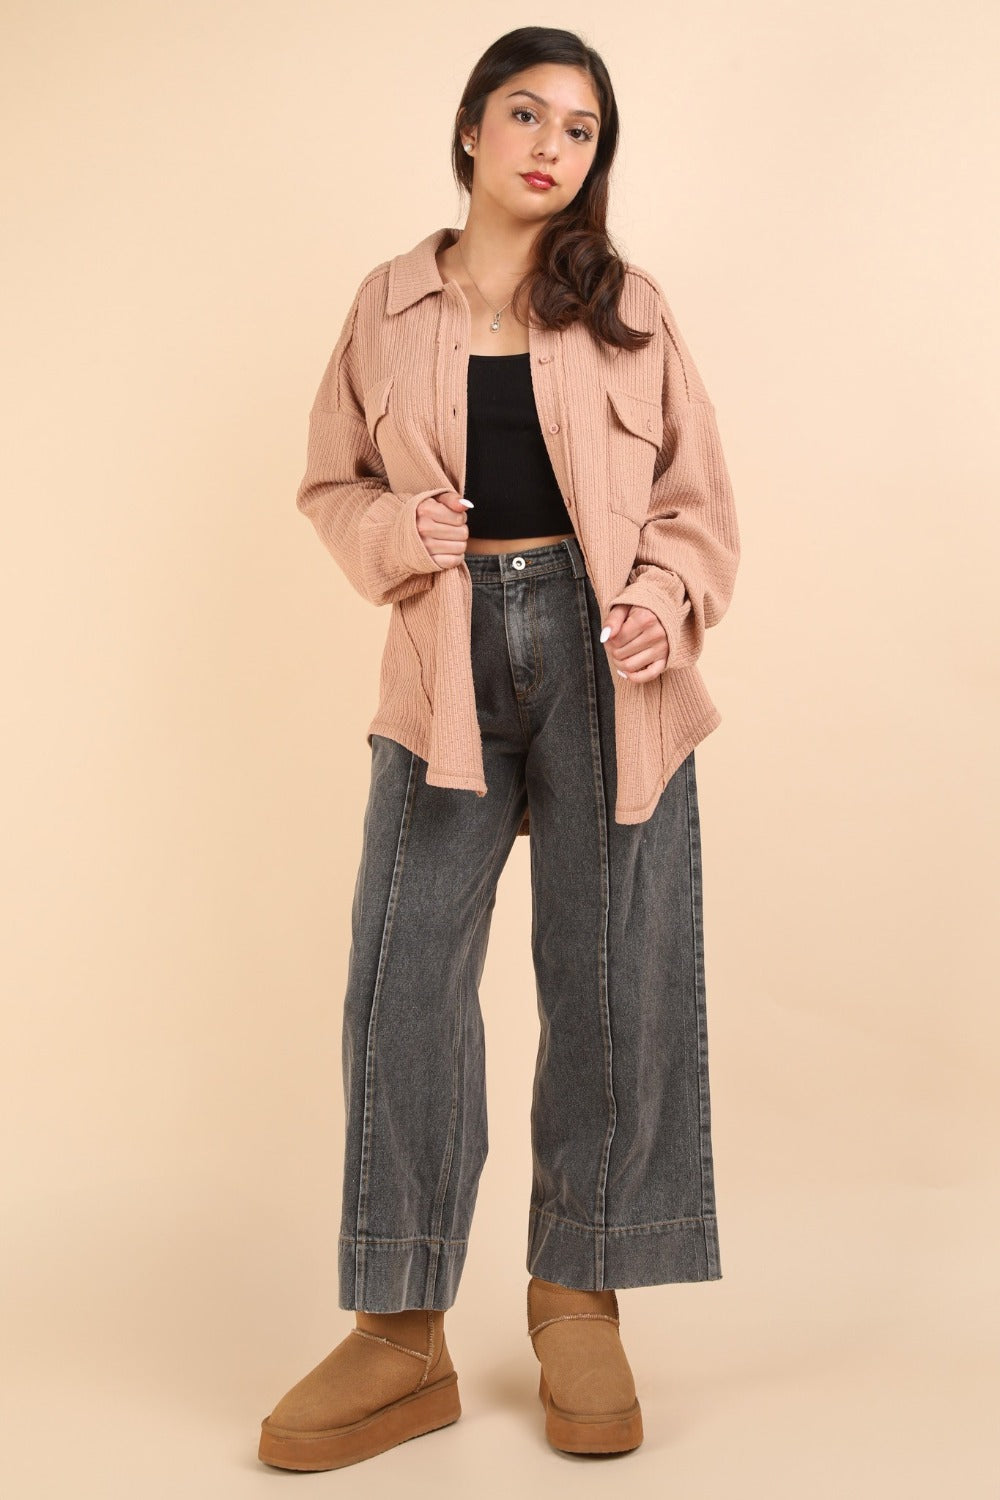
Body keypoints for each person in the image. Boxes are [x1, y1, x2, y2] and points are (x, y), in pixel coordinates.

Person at [258, 24, 740, 1472]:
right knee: (402, 981)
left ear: (596, 157)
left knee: (611, 978)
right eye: (525, 113)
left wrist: (663, 597)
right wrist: (385, 534)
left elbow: (699, 503)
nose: (550, 144)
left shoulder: (628, 306)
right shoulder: (387, 305)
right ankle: (398, 1327)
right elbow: (330, 480)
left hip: (607, 666)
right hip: (442, 665)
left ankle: (576, 1288)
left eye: (581, 128)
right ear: (471, 130)